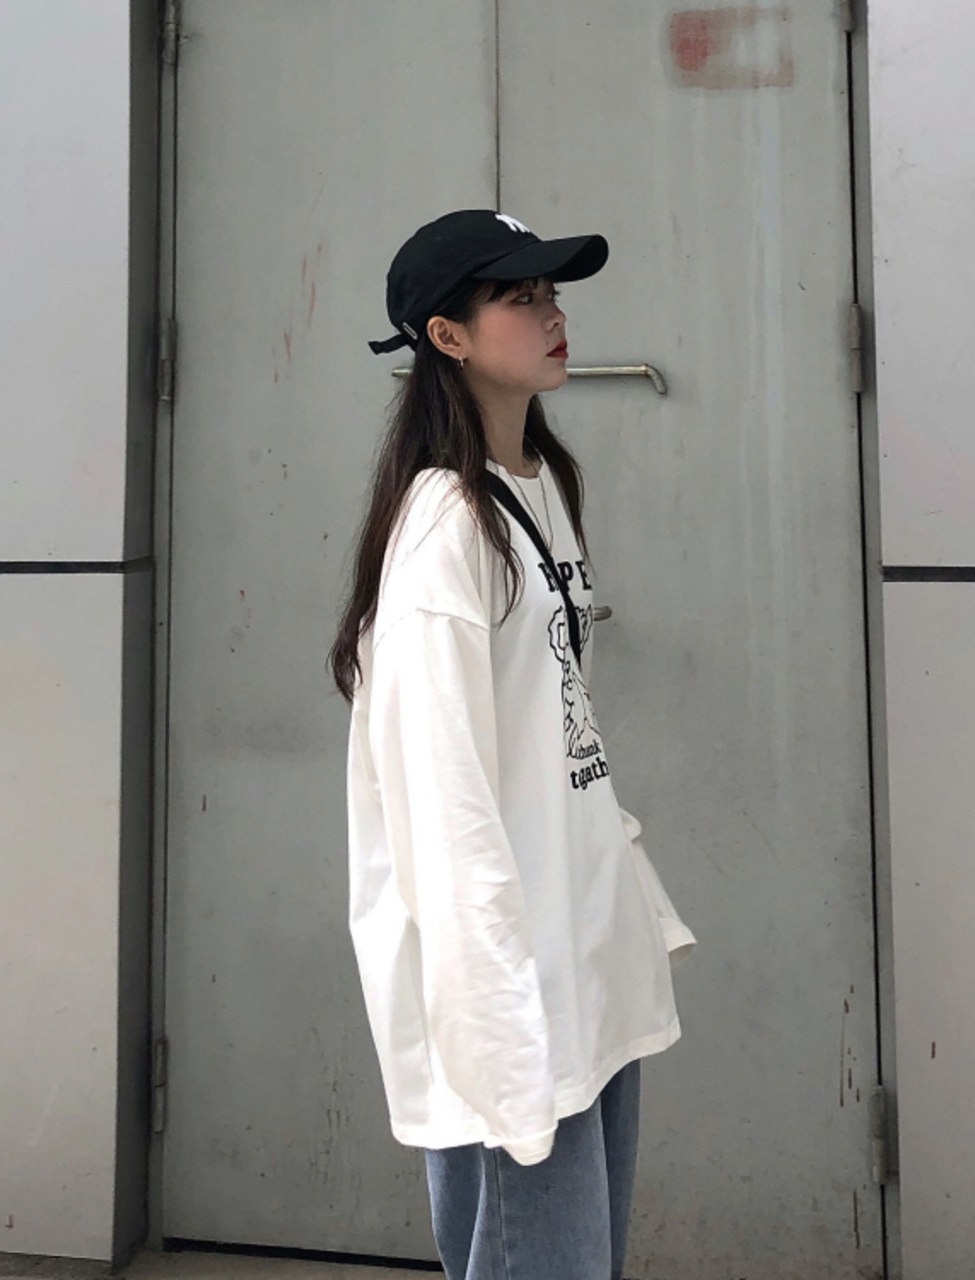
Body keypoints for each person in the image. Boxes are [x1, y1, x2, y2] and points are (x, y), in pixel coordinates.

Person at [329, 209, 695, 1280]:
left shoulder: (534, 486)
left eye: (553, 292)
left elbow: (559, 727)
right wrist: (501, 1041)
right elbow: (443, 814)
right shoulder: (445, 533)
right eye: (519, 297)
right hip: (513, 1003)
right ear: (447, 336)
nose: (552, 314)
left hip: (582, 970)